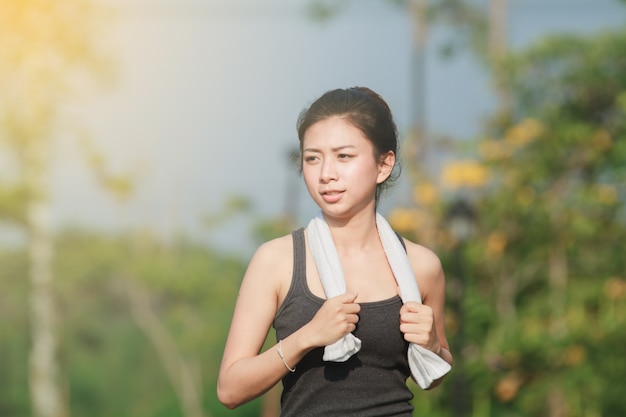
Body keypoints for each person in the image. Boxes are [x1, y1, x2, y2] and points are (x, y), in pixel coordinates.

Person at [217, 87, 453, 416]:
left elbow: (434, 373)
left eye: (344, 156)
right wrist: (307, 337)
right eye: (313, 157)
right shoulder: (276, 261)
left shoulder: (422, 266)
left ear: (383, 165)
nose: (326, 173)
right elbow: (229, 389)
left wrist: (431, 344)